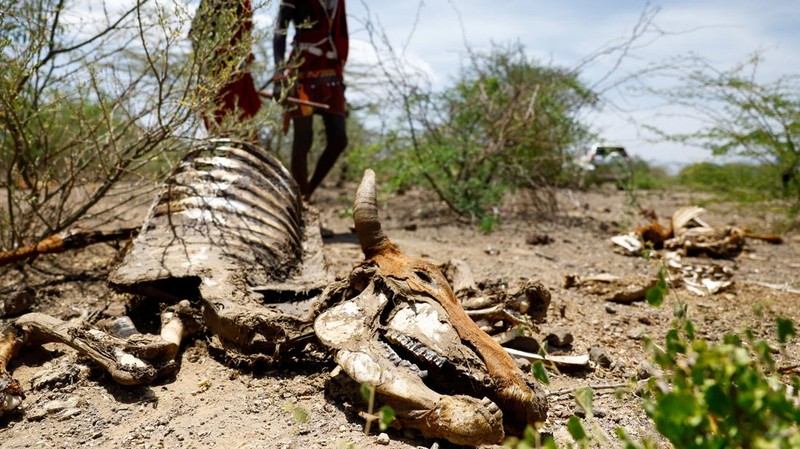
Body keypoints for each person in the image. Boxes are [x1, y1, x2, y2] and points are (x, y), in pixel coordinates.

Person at [273, 0, 349, 199]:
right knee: (303, 140)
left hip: (331, 72)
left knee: (339, 139)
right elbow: (279, 32)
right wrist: (279, 75)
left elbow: (339, 34)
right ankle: (300, 200)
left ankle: (307, 195)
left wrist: (341, 80)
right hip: (302, 72)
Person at [190, 0, 262, 141]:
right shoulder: (210, 2)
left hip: (240, 75)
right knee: (219, 120)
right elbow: (196, 34)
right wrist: (210, 62)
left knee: (244, 123)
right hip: (217, 74)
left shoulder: (245, 3)